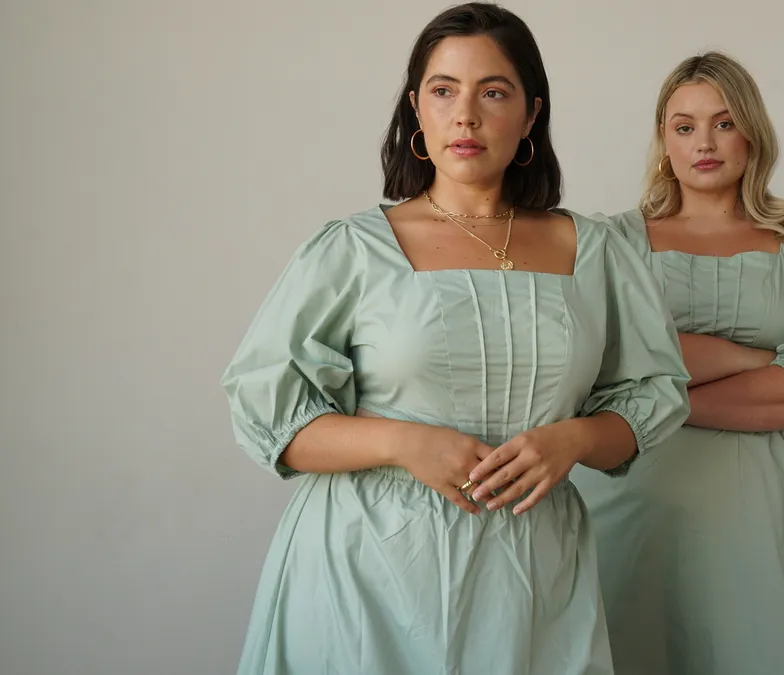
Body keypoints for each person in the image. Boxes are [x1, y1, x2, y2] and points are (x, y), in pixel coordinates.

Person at [219, 4, 691, 674]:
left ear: (531, 115)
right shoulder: (352, 248)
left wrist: (576, 438)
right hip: (368, 572)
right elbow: (268, 414)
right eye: (444, 91)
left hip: (534, 575)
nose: (465, 116)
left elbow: (655, 393)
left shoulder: (596, 250)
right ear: (417, 109)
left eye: (492, 92)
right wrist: (401, 441)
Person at [571, 51, 784, 675]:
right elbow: (598, 366)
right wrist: (760, 357)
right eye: (684, 126)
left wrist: (655, 392)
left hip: (767, 504)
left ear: (753, 132)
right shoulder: (609, 242)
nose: (703, 142)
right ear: (663, 140)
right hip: (631, 496)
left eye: (723, 122)